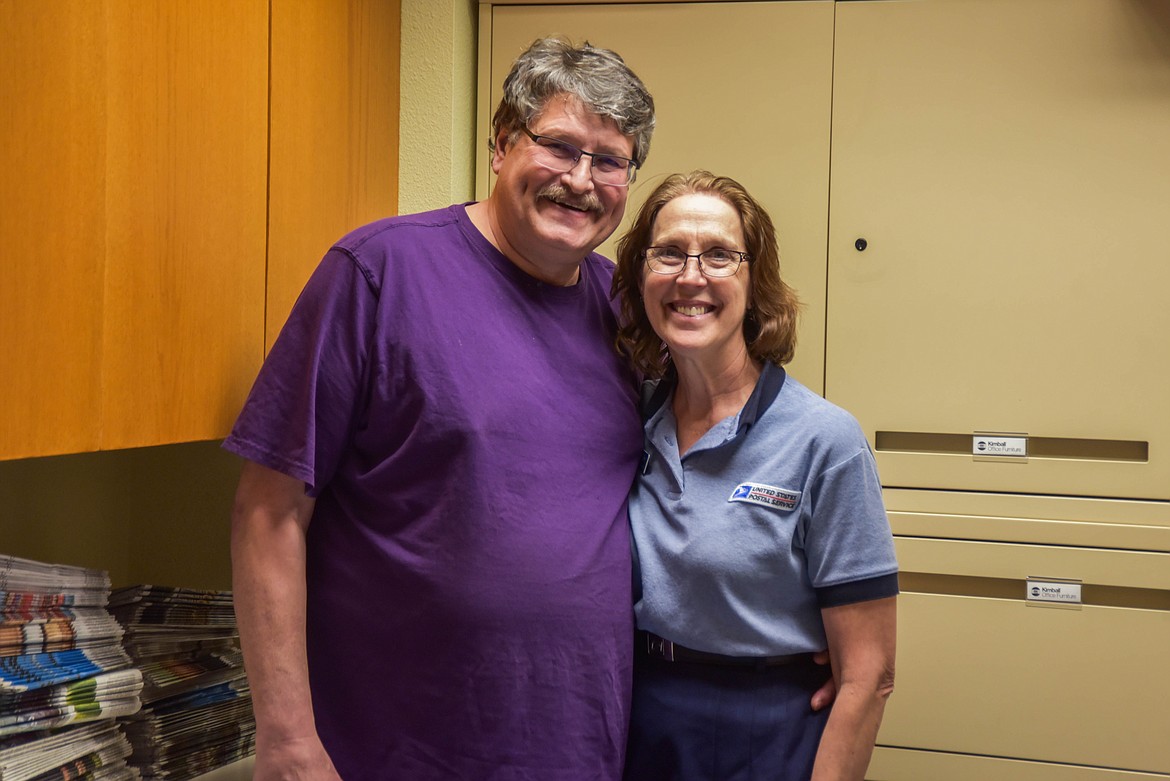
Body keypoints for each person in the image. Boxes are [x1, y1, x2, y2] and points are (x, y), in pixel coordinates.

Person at [225, 38, 656, 780]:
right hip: (394, 747)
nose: (582, 180)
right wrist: (287, 736)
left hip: (576, 748)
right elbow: (269, 511)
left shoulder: (627, 311)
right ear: (500, 144)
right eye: (559, 146)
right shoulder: (378, 272)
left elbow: (699, 479)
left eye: (609, 160)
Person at [611, 171, 899, 781]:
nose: (692, 276)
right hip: (639, 713)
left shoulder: (825, 440)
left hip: (765, 729)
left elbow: (867, 675)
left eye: (720, 254)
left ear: (754, 281)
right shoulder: (625, 418)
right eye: (668, 253)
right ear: (641, 277)